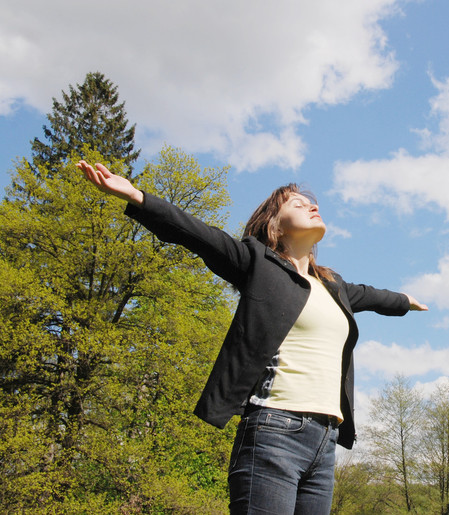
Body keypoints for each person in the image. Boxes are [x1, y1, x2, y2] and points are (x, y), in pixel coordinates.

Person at [77, 160, 428, 514]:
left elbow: (371, 295)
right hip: (274, 433)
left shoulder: (333, 286)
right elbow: (196, 233)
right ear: (275, 225)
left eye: (310, 201)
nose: (311, 204)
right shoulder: (256, 262)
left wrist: (404, 301)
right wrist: (137, 197)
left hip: (325, 440)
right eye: (296, 202)